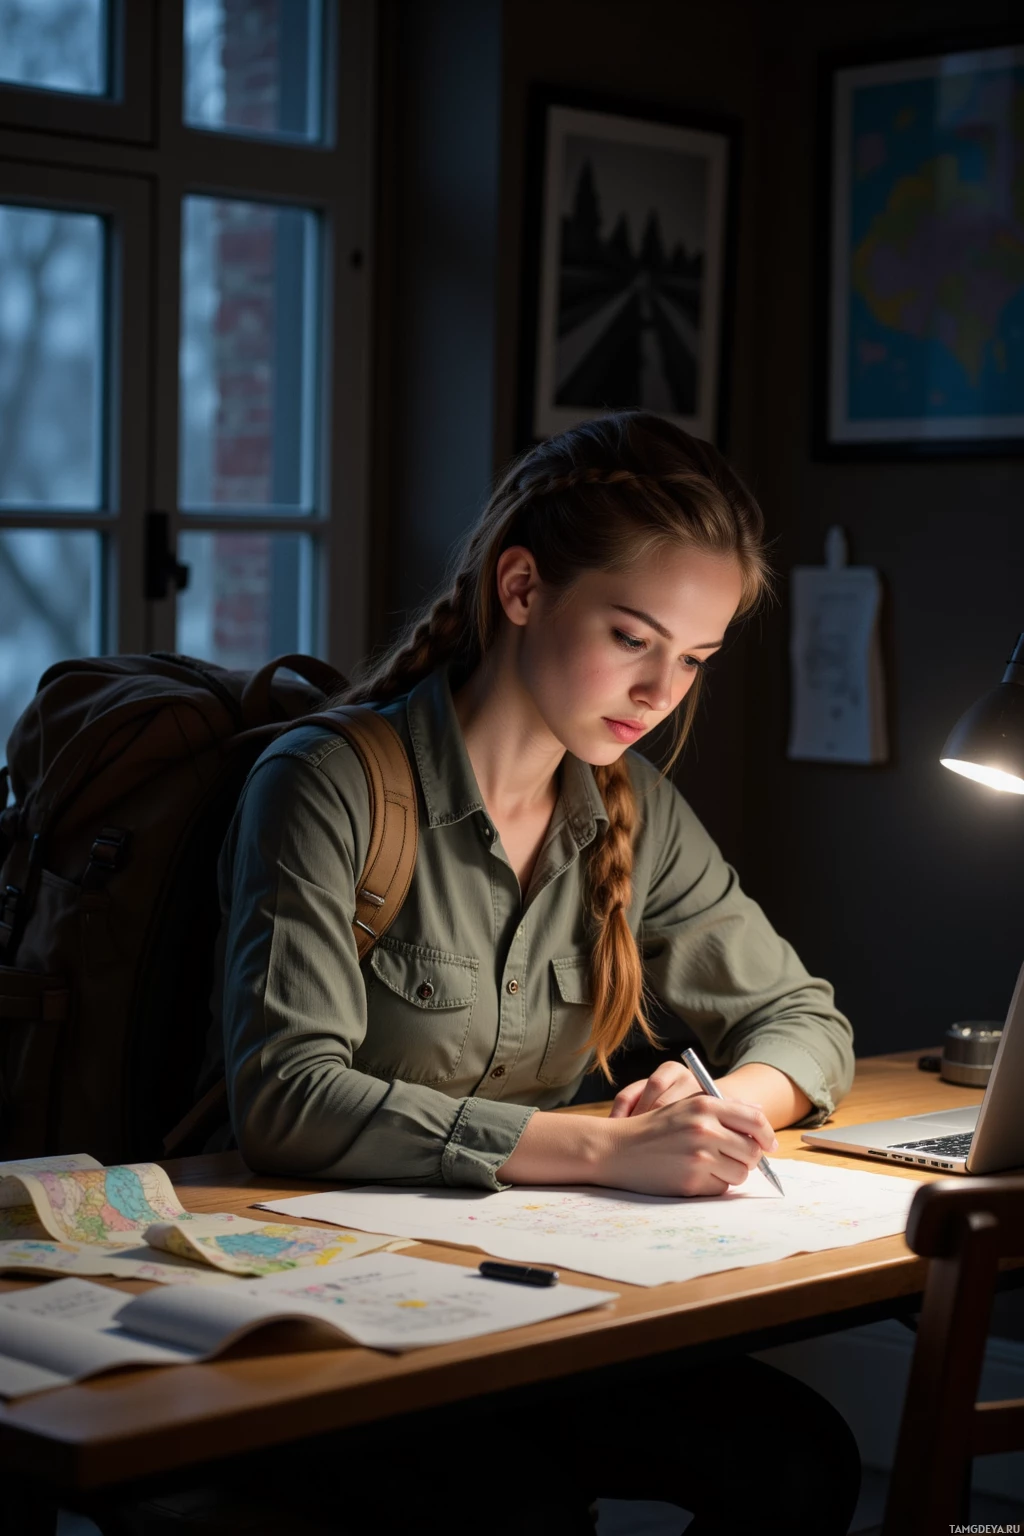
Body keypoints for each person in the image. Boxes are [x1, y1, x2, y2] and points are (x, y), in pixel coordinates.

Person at [210, 410, 861, 1535]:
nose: (661, 690)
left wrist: (718, 1109)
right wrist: (604, 1147)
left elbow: (804, 1018)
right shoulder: (325, 783)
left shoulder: (631, 807)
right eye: (631, 636)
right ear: (521, 588)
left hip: (531, 1301)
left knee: (799, 1465)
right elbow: (286, 1099)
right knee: (515, 1510)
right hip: (336, 1315)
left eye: (694, 658)